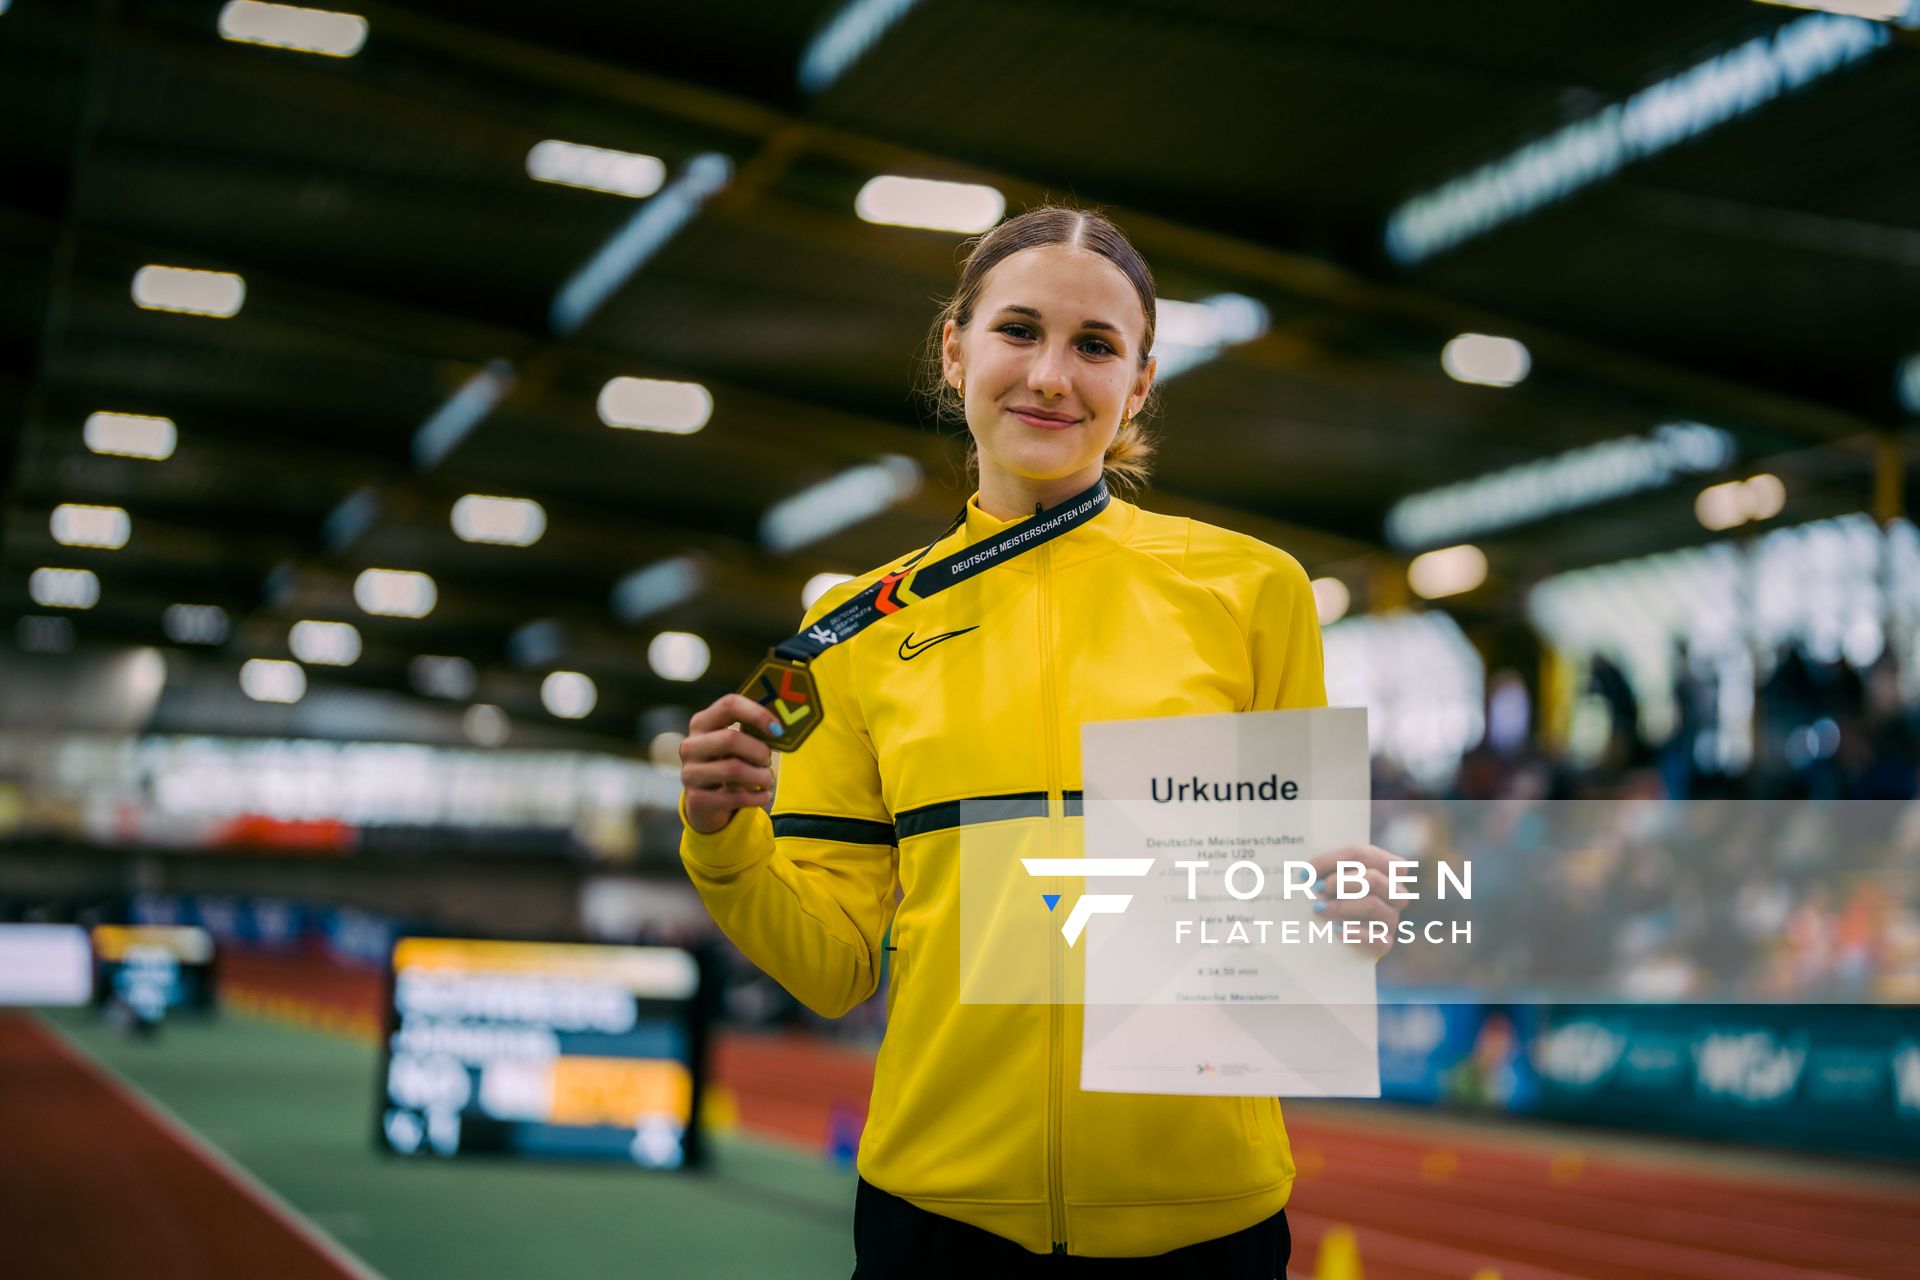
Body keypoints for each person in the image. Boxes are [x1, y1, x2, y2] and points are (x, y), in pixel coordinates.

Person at [678, 205, 1404, 1277]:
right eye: (1020, 330)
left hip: (1205, 1220)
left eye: (1096, 346)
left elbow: (1294, 918)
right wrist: (726, 839)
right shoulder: (855, 629)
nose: (1052, 376)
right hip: (938, 1217)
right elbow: (833, 965)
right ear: (954, 346)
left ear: (1140, 384)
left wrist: (1351, 915)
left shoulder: (1253, 591)